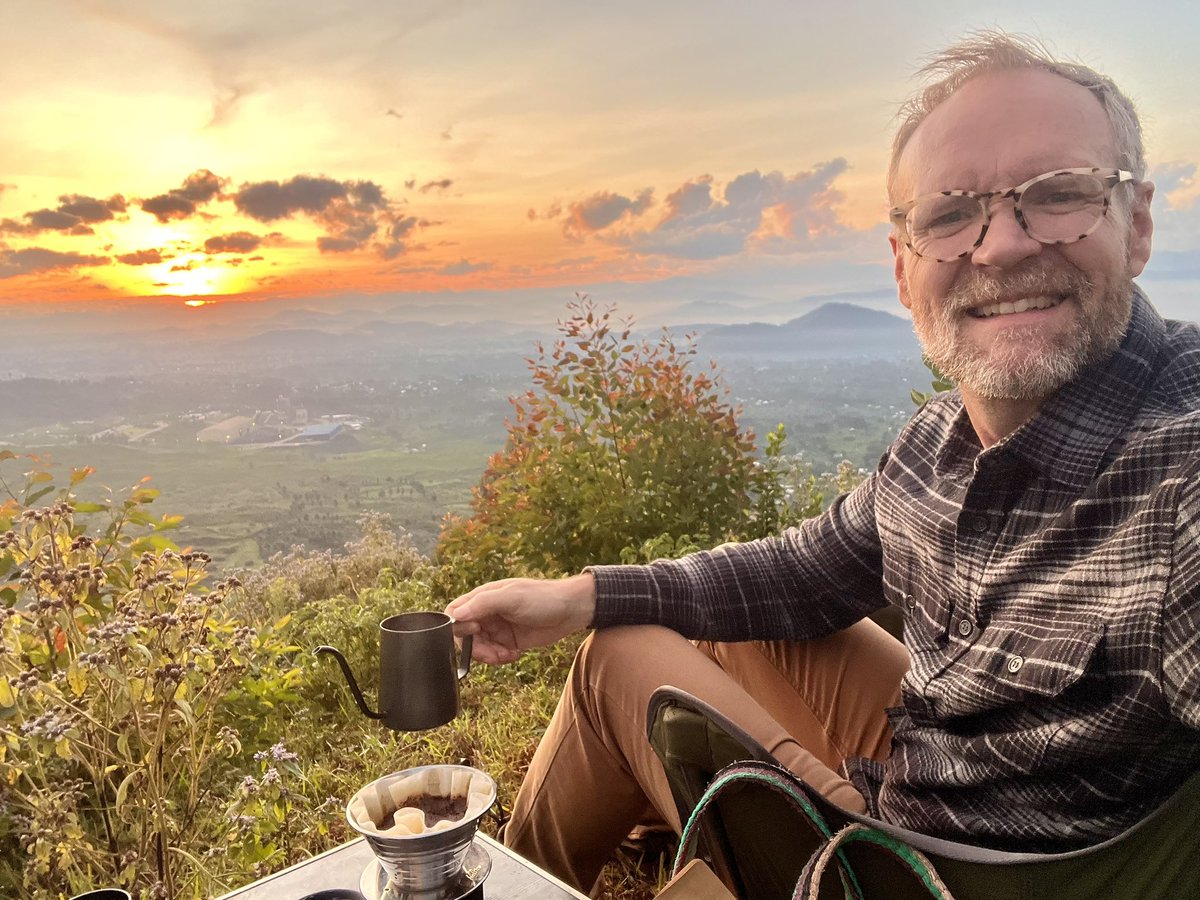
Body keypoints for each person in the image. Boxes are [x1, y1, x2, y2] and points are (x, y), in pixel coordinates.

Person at [447, 31, 1200, 895]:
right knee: (727, 623)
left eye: (1057, 195)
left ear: (1136, 224)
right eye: (951, 214)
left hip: (928, 876)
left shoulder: (1179, 476)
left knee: (615, 662)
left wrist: (594, 625)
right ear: (903, 265)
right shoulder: (939, 443)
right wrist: (577, 596)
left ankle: (504, 880)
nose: (999, 247)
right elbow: (804, 573)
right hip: (939, 774)